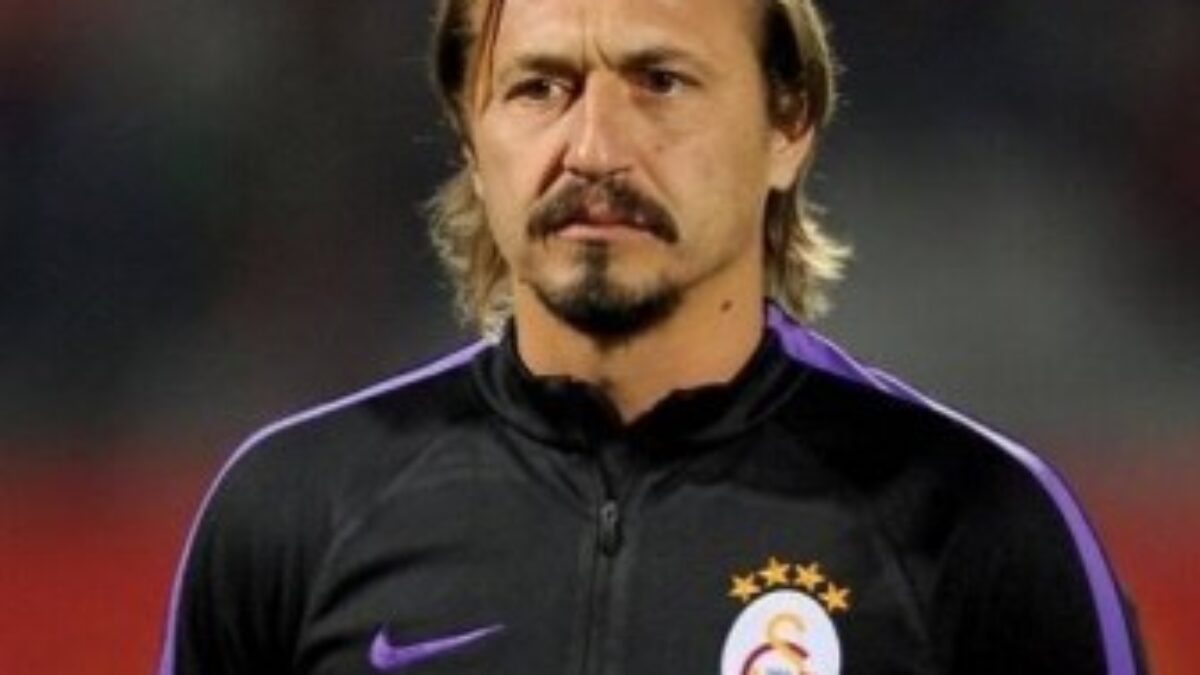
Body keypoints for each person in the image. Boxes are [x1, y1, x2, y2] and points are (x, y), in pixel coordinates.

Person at [158, 0, 1147, 673]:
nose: (594, 148)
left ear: (789, 122)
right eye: (539, 87)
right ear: (468, 133)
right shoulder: (293, 520)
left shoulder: (972, 524)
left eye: (660, 81)